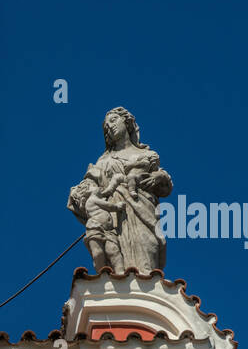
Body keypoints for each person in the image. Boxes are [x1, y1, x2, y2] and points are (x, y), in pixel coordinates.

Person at [68, 107, 172, 274]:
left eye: (114, 120)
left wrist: (157, 177)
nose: (110, 126)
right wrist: (81, 193)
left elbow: (165, 186)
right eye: (106, 126)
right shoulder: (104, 160)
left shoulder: (146, 153)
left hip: (141, 210)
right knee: (116, 257)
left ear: (127, 122)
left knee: (148, 247)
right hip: (114, 217)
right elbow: (88, 187)